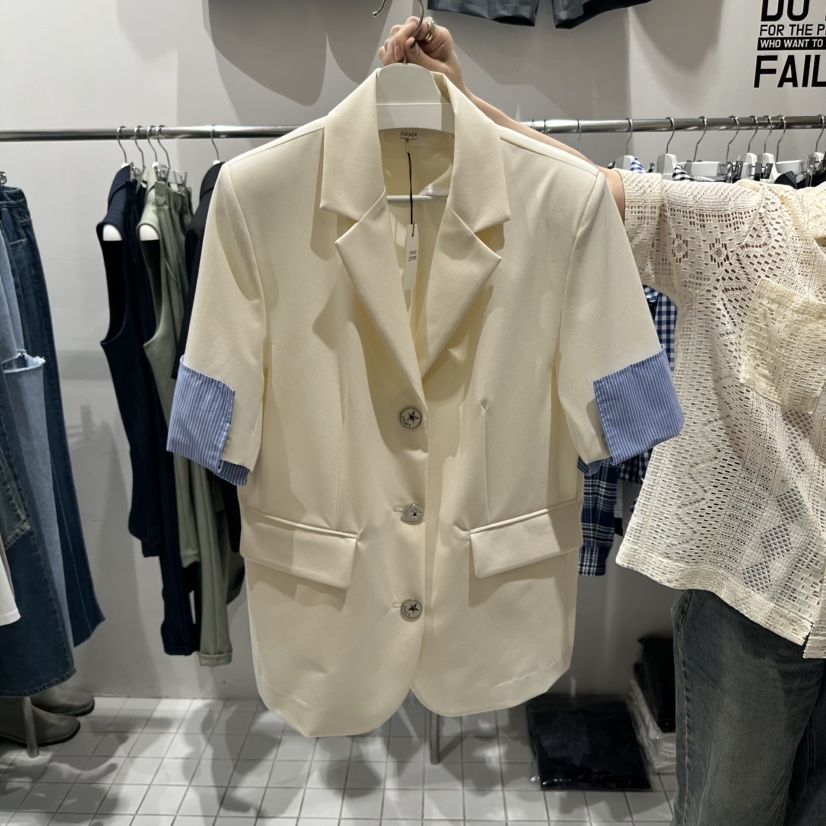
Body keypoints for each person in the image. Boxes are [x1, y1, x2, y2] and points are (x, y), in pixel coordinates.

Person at [380, 17, 826, 826]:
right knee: (727, 813)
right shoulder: (766, 227)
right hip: (760, 605)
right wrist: (461, 102)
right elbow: (582, 190)